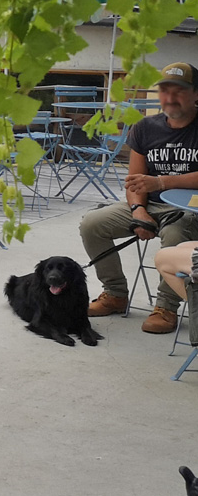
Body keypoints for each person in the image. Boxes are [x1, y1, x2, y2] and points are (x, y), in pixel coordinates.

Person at [79, 62, 198, 334]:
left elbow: (154, 181)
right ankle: (115, 294)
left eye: (179, 91)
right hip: (151, 204)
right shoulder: (145, 127)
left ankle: (166, 307)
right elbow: (134, 181)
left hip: (190, 208)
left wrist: (161, 181)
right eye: (165, 90)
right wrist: (137, 210)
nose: (170, 97)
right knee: (92, 224)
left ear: (196, 94)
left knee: (177, 233)